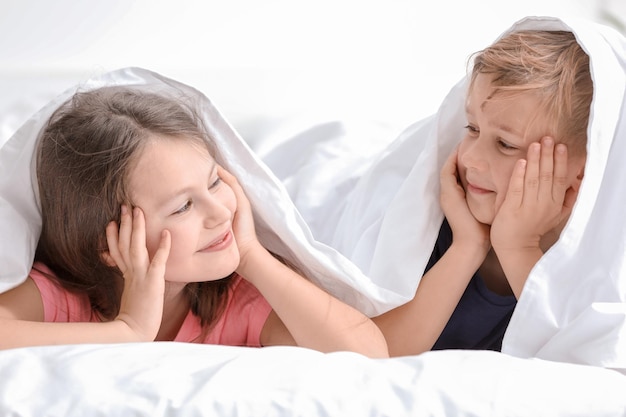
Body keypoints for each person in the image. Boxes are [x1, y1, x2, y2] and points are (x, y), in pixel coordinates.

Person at [0, 86, 388, 358]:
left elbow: (368, 355)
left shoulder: (236, 302)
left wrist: (252, 256)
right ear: (109, 243)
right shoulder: (60, 298)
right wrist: (126, 331)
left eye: (216, 182)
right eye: (183, 206)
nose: (221, 212)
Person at [373, 29, 591, 356]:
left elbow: (579, 364)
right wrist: (468, 245)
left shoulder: (592, 265)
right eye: (472, 128)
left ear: (580, 174)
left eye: (506, 144)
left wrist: (518, 246)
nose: (471, 158)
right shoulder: (432, 216)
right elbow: (377, 352)